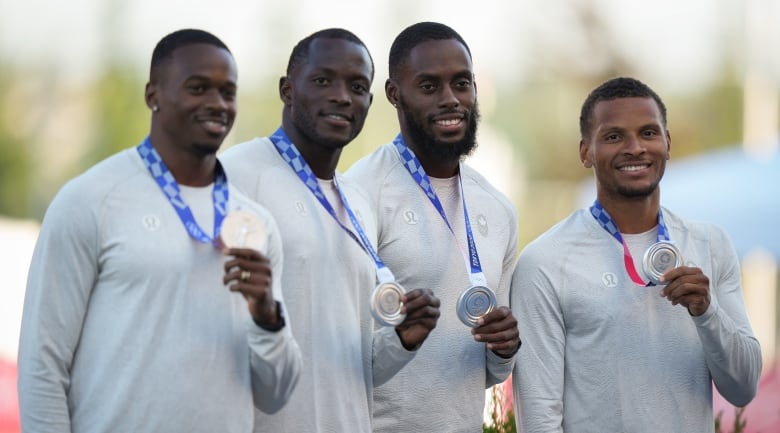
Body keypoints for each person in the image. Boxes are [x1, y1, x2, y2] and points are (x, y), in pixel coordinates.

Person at [17, 29, 302, 433]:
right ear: (153, 94)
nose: (217, 104)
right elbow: (42, 364)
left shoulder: (255, 223)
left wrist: (267, 317)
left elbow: (275, 395)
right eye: (198, 88)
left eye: (228, 91)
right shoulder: (91, 200)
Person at [219, 28, 441, 432]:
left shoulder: (357, 200)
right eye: (323, 81)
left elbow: (354, 364)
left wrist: (402, 339)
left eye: (357, 86)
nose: (342, 96)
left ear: (369, 103)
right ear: (287, 89)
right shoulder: (235, 176)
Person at [511, 77, 762, 432]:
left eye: (648, 133)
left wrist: (707, 312)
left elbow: (743, 388)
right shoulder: (545, 262)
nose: (635, 148)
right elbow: (539, 417)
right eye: (614, 137)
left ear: (667, 143)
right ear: (586, 152)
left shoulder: (710, 244)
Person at [345, 22, 521, 433]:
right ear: (393, 94)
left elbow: (489, 373)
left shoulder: (497, 209)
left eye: (461, 83)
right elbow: (335, 357)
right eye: (429, 86)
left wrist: (505, 348)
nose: (451, 100)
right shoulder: (360, 194)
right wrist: (403, 338)